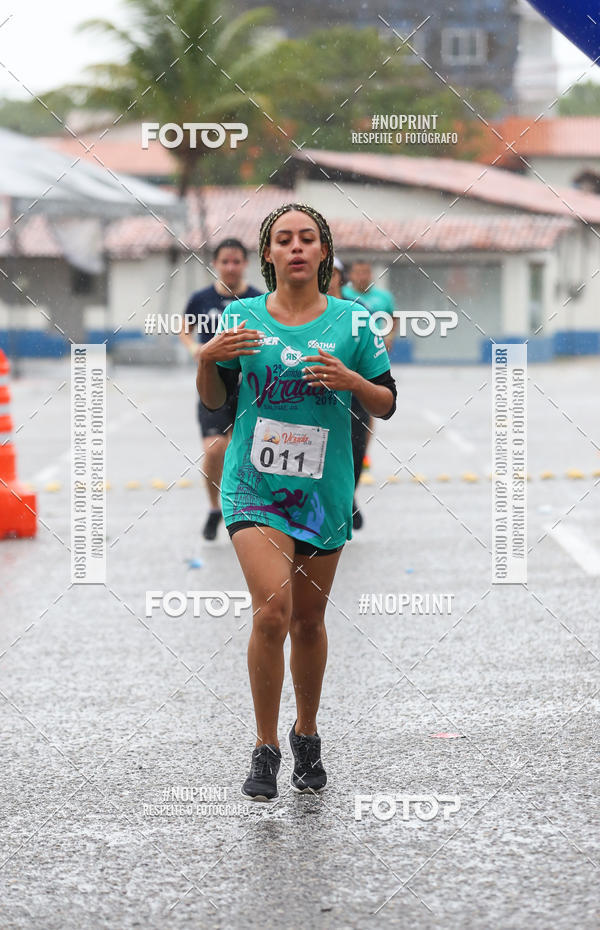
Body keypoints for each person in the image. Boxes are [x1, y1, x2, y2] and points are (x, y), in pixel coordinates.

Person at [196, 204, 397, 801]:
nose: (296, 248)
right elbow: (215, 402)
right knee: (271, 611)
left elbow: (386, 402)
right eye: (284, 240)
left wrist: (352, 383)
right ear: (269, 256)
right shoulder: (242, 316)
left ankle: (307, 732)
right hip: (254, 485)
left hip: (323, 492)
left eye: (308, 238)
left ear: (324, 252)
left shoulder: (355, 323)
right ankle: (265, 748)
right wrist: (207, 358)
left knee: (309, 621)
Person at [179, 238, 262, 540]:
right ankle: (215, 508)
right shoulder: (201, 299)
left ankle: (246, 511)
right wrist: (195, 349)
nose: (230, 267)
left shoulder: (258, 301)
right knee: (215, 448)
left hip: (250, 388)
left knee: (247, 454)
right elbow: (184, 328)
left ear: (245, 264)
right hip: (213, 384)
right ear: (215, 264)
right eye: (225, 261)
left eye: (236, 261)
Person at [342, 261, 397, 498]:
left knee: (369, 405)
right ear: (350, 275)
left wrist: (388, 337)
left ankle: (363, 450)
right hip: (348, 356)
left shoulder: (382, 297)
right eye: (358, 271)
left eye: (366, 271)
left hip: (371, 357)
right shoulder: (343, 295)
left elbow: (392, 319)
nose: (362, 275)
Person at [327, 257, 370, 530]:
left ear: (341, 277)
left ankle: (349, 496)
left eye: (332, 273)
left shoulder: (358, 310)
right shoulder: (307, 310)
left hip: (353, 393)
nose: (327, 278)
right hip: (318, 395)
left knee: (355, 450)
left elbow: (372, 357)